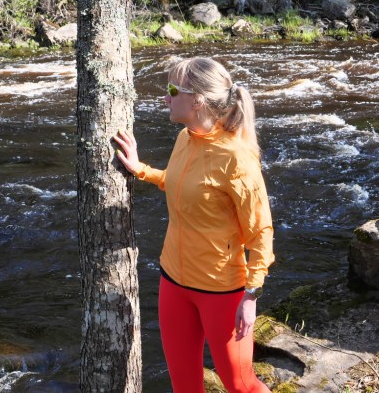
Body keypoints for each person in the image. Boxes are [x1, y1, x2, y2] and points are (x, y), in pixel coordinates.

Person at [114, 57, 274, 393]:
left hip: (222, 291)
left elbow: (261, 231)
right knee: (184, 385)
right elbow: (180, 184)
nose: (165, 98)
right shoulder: (185, 138)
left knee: (240, 385)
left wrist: (251, 295)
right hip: (174, 282)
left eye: (173, 90)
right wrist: (139, 168)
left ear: (198, 99)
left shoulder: (236, 158)